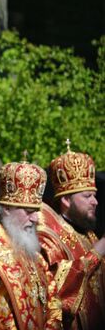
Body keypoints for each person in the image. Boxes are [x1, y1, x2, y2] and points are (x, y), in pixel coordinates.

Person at [0, 160, 62, 329]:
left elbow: (53, 301)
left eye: (36, 211)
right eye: (28, 211)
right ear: (6, 209)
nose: (35, 218)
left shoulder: (34, 253)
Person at [37, 140, 105, 329]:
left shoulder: (89, 234)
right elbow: (56, 289)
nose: (95, 202)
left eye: (94, 195)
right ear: (66, 200)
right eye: (87, 196)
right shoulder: (48, 235)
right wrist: (98, 251)